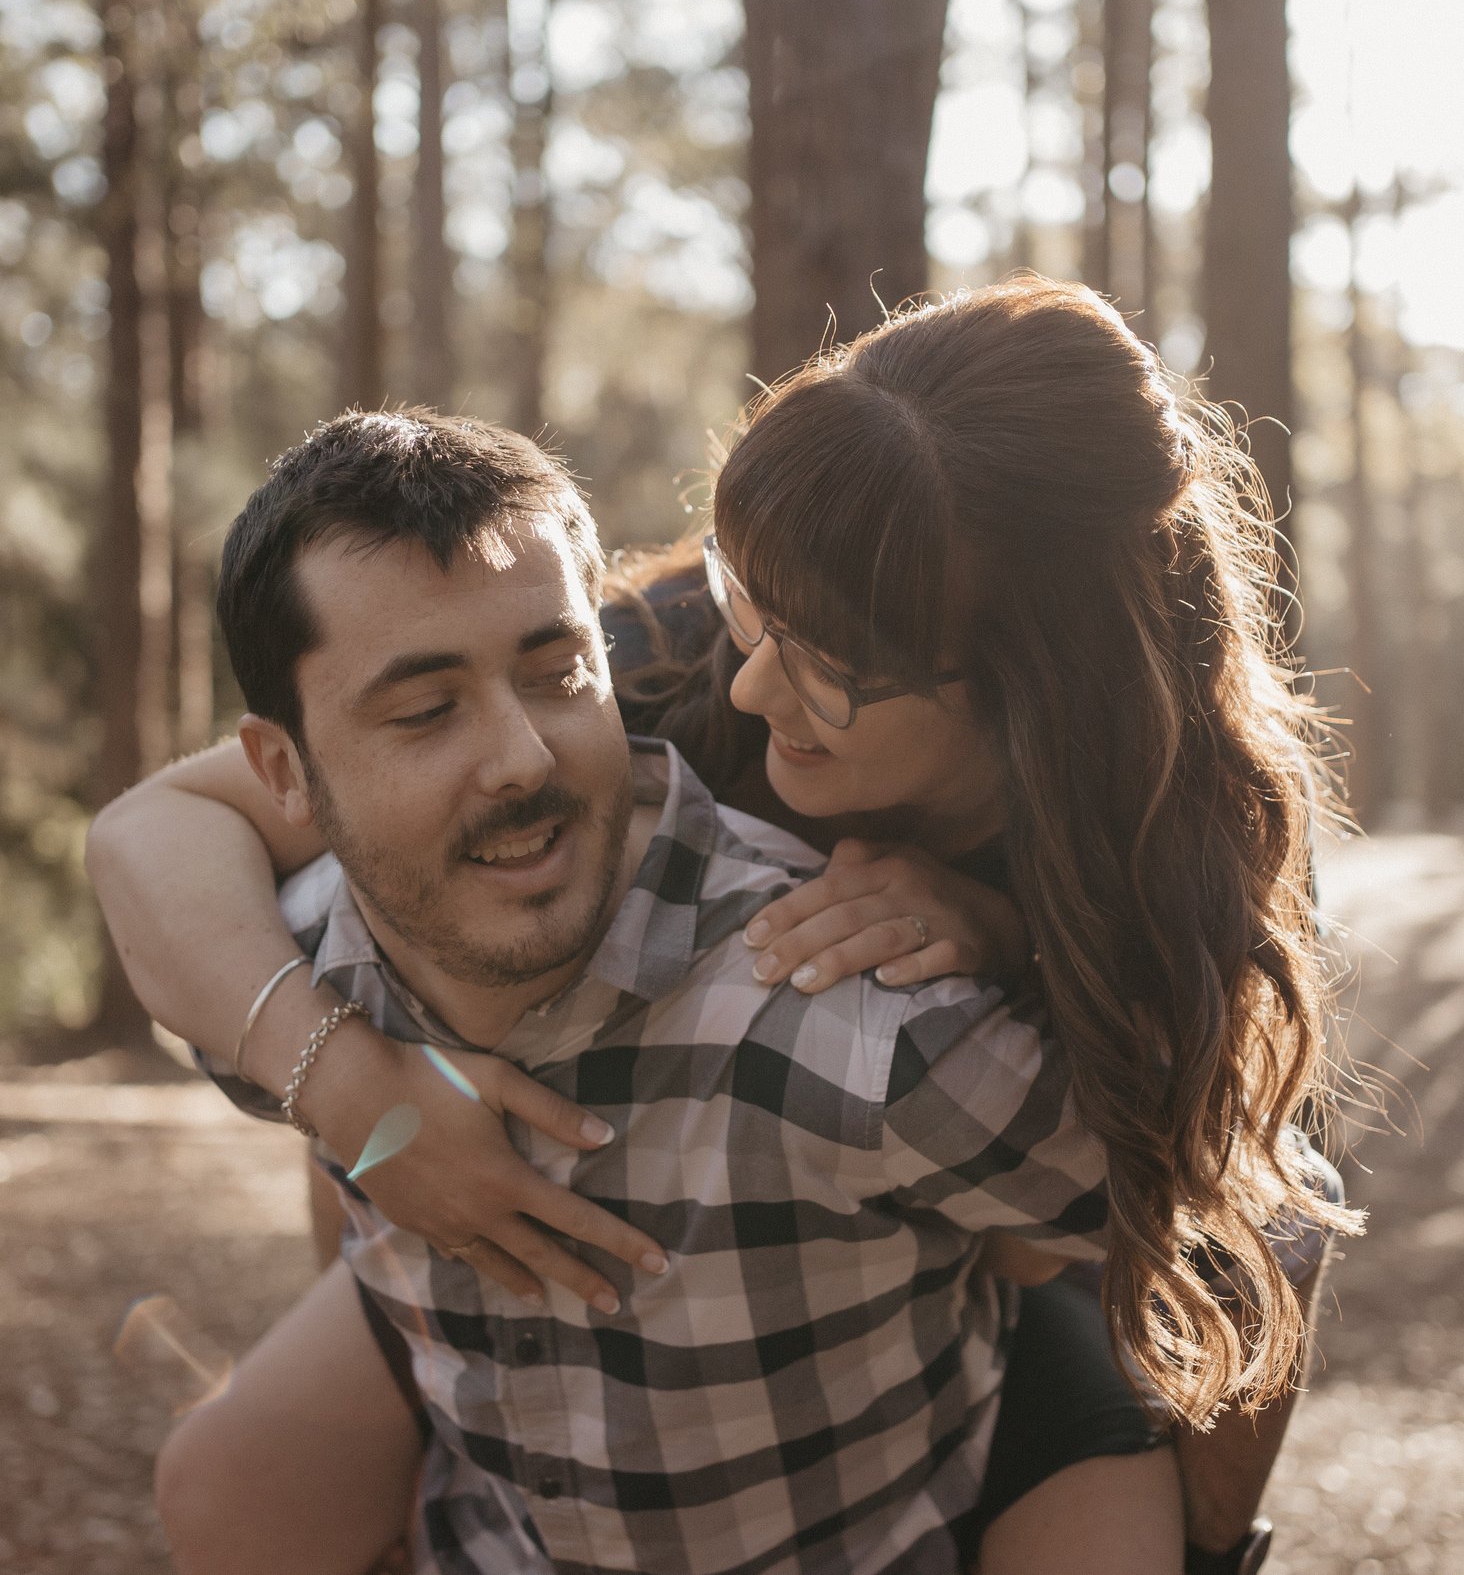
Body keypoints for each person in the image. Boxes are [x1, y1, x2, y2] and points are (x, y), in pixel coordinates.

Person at [93, 277, 1357, 1575]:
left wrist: (1004, 934)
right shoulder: (663, 646)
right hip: (635, 1248)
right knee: (235, 1483)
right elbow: (157, 834)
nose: (750, 682)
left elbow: (1264, 1223)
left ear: (1034, 690)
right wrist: (354, 1091)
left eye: (827, 664)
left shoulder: (1186, 842)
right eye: (756, 608)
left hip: (995, 1257)